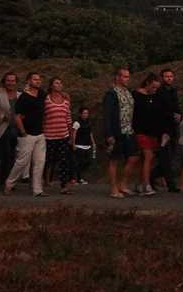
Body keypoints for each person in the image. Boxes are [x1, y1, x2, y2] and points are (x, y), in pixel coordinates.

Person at [5, 72, 47, 197]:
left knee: (40, 162)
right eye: (35, 79)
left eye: (39, 79)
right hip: (27, 134)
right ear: (29, 81)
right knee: (22, 162)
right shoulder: (23, 97)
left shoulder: (42, 94)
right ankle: (9, 183)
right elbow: (17, 117)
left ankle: (37, 190)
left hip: (40, 134)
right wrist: (23, 132)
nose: (38, 81)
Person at [102, 67, 141, 198]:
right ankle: (114, 189)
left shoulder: (128, 92)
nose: (126, 79)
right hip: (117, 131)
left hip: (129, 130)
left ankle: (123, 184)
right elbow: (107, 115)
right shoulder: (111, 94)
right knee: (114, 160)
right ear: (117, 77)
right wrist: (109, 134)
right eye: (124, 76)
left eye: (128, 77)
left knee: (134, 157)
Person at [131, 73, 169, 196]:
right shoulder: (136, 95)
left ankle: (140, 183)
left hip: (153, 131)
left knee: (146, 159)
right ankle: (146, 184)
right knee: (148, 156)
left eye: (157, 88)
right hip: (141, 130)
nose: (155, 90)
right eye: (153, 87)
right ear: (147, 83)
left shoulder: (155, 97)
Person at [43, 76, 74, 194]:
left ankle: (64, 186)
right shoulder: (46, 99)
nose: (59, 85)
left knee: (64, 160)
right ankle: (46, 180)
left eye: (60, 83)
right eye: (56, 83)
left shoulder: (66, 100)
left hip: (63, 135)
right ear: (51, 86)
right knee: (49, 160)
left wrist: (71, 136)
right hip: (49, 135)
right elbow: (43, 116)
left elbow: (68, 118)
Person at [0, 72, 20, 188]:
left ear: (16, 82)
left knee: (13, 156)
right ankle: (3, 181)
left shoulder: (20, 95)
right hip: (2, 128)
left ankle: (9, 180)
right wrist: (0, 117)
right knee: (4, 155)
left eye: (13, 80)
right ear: (4, 82)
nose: (10, 83)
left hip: (16, 129)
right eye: (8, 80)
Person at [153, 68, 181, 193]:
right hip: (164, 128)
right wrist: (171, 116)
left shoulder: (173, 91)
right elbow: (160, 111)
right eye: (166, 76)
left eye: (171, 76)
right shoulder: (159, 92)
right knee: (166, 156)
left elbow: (177, 106)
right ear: (162, 78)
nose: (169, 78)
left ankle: (151, 177)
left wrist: (179, 115)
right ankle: (170, 184)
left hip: (174, 127)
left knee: (171, 156)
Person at [72, 107, 95, 184]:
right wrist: (73, 144)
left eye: (87, 113)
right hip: (79, 145)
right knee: (79, 162)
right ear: (80, 114)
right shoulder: (77, 123)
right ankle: (77, 178)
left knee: (87, 161)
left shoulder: (89, 122)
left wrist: (93, 142)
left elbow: (90, 133)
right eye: (84, 113)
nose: (86, 115)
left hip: (87, 144)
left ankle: (78, 176)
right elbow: (74, 134)